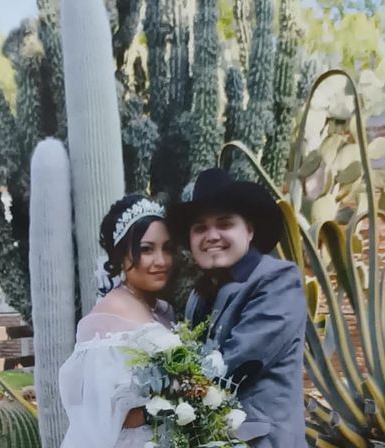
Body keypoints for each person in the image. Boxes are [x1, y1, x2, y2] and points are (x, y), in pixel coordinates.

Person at [170, 168, 307, 448]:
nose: (211, 235)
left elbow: (237, 364)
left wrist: (166, 386)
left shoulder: (276, 280)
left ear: (250, 230)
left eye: (224, 224)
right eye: (200, 228)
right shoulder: (199, 294)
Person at [59, 194, 176, 447]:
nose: (161, 261)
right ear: (122, 255)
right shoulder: (107, 316)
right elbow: (100, 413)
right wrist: (175, 403)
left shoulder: (162, 309)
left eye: (167, 248)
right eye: (146, 249)